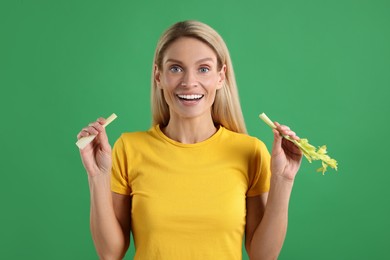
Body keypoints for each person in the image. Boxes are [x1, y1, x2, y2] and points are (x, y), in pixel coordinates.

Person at [77, 20, 302, 260]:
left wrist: (283, 180)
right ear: (158, 76)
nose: (189, 82)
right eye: (175, 68)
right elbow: (110, 253)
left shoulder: (250, 151)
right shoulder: (129, 148)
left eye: (203, 69)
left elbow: (263, 256)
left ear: (221, 76)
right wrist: (97, 177)